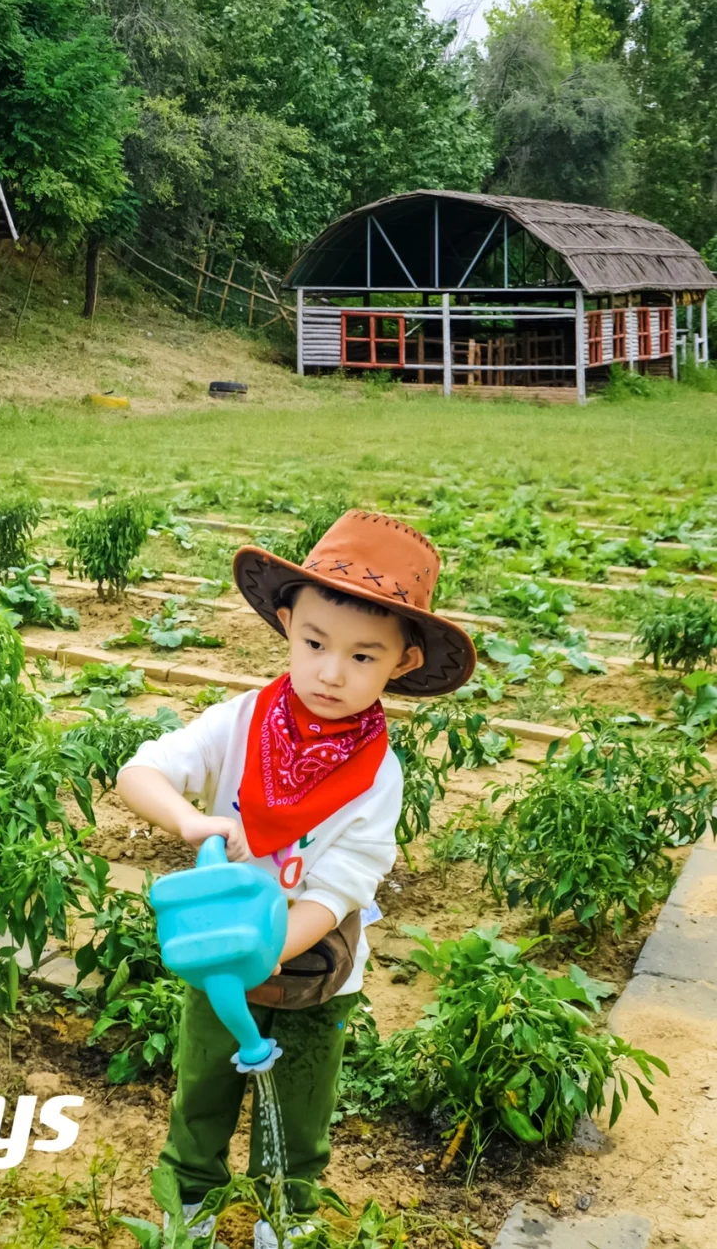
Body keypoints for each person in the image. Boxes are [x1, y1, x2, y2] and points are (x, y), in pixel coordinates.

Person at [116, 510, 476, 1248]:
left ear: (404, 663)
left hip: (316, 970)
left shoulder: (378, 777)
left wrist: (268, 945)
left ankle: (288, 1215)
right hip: (219, 967)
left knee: (301, 1104)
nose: (331, 672)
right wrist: (191, 823)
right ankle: (190, 1206)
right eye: (314, 643)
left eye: (364, 657)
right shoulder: (238, 723)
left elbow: (344, 882)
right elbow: (140, 772)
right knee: (203, 1089)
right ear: (287, 623)